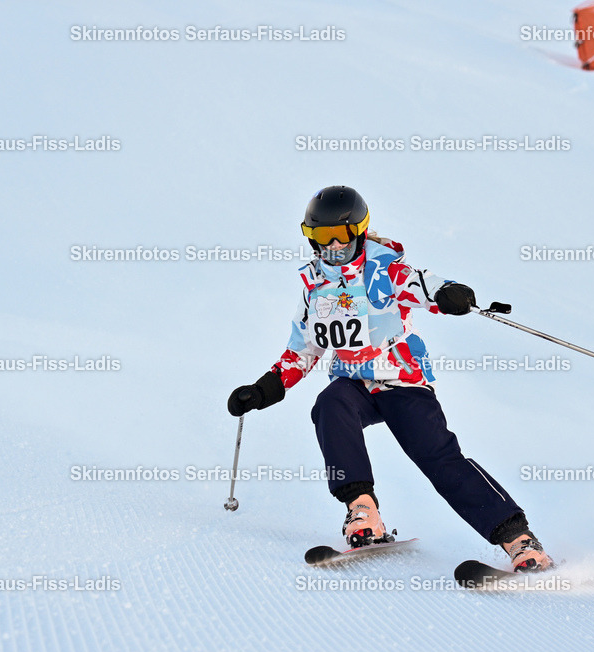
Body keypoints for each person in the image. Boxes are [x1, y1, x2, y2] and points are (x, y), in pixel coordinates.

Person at [227, 186, 552, 572]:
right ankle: (362, 510)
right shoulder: (314, 287)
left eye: (341, 235)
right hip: (354, 384)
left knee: (438, 457)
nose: (332, 245)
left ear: (360, 230)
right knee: (330, 403)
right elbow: (303, 350)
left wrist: (450, 294)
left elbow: (424, 285)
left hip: (402, 381)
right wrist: (265, 389)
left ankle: (518, 540)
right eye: (320, 237)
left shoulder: (385, 269)